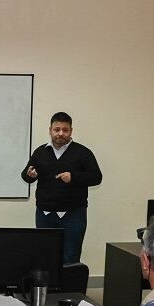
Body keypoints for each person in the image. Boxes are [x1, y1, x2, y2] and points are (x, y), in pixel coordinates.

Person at [21, 112, 102, 264]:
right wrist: (30, 175)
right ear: (50, 130)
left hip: (73, 214)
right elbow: (25, 175)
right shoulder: (40, 152)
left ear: (71, 131)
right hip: (45, 214)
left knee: (71, 256)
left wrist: (74, 177)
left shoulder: (83, 153)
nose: (60, 133)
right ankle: (47, 288)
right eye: (56, 129)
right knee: (44, 255)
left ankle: (69, 288)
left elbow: (97, 177)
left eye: (65, 130)